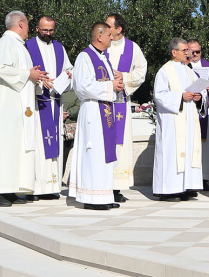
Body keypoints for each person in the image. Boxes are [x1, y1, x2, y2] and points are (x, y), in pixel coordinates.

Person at [0, 11, 51, 208]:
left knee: (14, 148)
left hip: (18, 108)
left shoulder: (18, 45)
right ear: (21, 23)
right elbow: (3, 69)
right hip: (5, 108)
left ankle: (11, 189)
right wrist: (28, 74)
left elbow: (23, 74)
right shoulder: (7, 42)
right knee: (4, 148)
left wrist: (36, 77)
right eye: (28, 23)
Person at [69, 22, 125, 210]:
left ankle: (104, 195)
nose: (112, 38)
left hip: (106, 110)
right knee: (94, 154)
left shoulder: (103, 58)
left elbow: (108, 83)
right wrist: (111, 86)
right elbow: (82, 86)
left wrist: (117, 84)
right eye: (109, 35)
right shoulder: (85, 57)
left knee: (104, 154)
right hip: (93, 111)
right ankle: (92, 198)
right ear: (99, 36)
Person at [26, 15, 73, 200]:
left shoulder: (59, 47)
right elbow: (24, 72)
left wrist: (69, 74)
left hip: (55, 102)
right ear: (37, 28)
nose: (48, 33)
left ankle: (52, 187)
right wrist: (38, 80)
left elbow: (69, 67)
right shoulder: (28, 47)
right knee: (38, 145)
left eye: (51, 30)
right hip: (37, 105)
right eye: (44, 30)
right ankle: (35, 189)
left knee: (54, 146)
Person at [152, 38, 204, 201]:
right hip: (172, 121)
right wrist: (180, 97)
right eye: (185, 50)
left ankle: (185, 186)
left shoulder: (189, 71)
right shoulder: (164, 71)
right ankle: (169, 189)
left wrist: (198, 97)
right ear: (174, 52)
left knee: (188, 150)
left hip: (188, 120)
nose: (188, 53)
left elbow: (198, 91)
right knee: (172, 153)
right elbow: (159, 95)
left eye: (188, 50)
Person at [105, 13, 148, 202]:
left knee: (120, 145)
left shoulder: (132, 48)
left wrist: (123, 76)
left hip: (121, 101)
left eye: (109, 26)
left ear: (119, 29)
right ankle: (103, 184)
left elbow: (141, 71)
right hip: (103, 101)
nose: (105, 28)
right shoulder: (102, 43)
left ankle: (116, 187)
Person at [188, 39, 209, 188]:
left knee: (205, 145)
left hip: (205, 111)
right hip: (189, 110)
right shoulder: (184, 66)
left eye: (198, 51)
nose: (196, 55)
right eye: (193, 52)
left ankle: (205, 177)